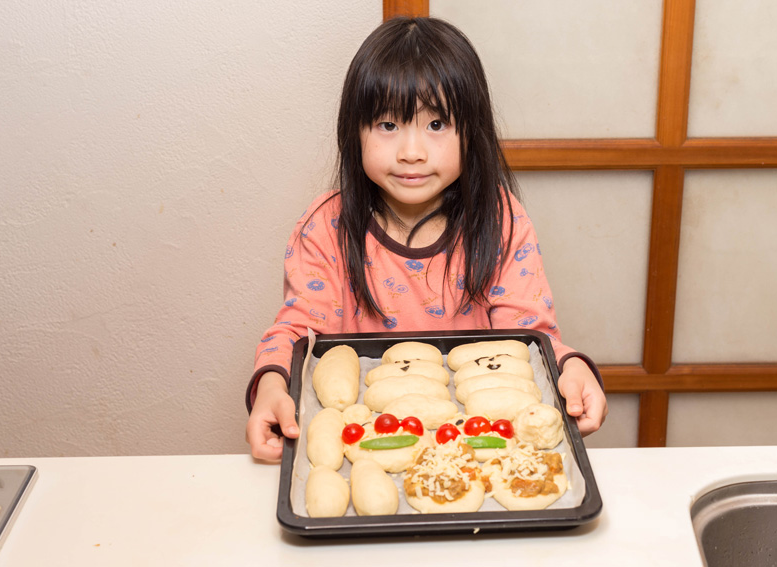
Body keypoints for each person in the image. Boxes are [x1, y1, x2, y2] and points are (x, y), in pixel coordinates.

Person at [245, 17, 607, 462]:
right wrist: (272, 383)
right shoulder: (326, 227)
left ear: (472, 133)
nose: (411, 151)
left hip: (479, 446)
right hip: (367, 443)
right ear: (353, 131)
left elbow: (528, 337)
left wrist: (571, 367)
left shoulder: (500, 219)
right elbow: (299, 330)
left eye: (436, 125)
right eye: (387, 125)